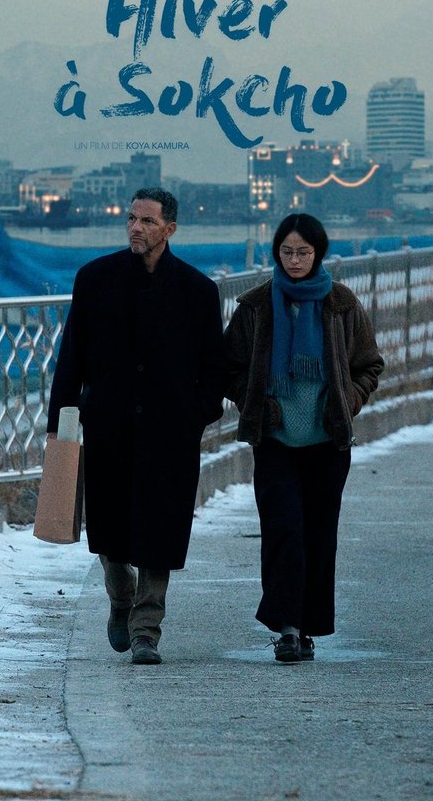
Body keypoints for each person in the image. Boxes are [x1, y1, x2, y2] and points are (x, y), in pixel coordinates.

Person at [46, 188, 224, 665]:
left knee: (159, 532)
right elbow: (72, 357)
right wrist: (59, 421)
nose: (135, 228)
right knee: (108, 528)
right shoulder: (95, 279)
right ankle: (120, 594)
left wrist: (194, 415)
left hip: (170, 433)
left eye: (147, 221)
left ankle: (147, 629)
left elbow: (214, 368)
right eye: (131, 219)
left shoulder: (198, 291)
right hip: (109, 425)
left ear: (170, 229)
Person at [223, 213, 383, 664]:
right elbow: (227, 366)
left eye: (304, 252)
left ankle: (307, 626)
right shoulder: (256, 306)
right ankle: (288, 630)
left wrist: (348, 399)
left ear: (318, 253)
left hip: (327, 442)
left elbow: (369, 364)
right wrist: (256, 402)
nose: (295, 260)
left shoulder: (341, 304)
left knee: (318, 535)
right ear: (277, 253)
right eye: (287, 252)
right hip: (275, 441)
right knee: (284, 530)